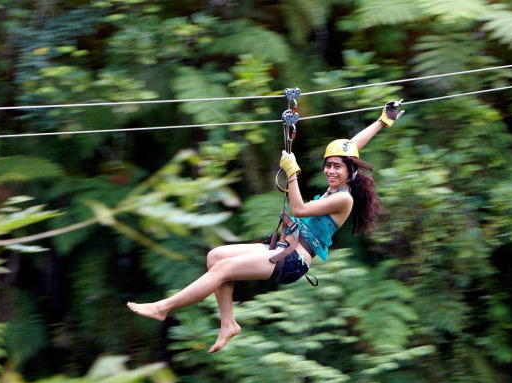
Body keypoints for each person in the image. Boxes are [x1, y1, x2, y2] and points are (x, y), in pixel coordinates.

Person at [127, 100, 404, 353]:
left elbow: (300, 209)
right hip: (283, 246)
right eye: (328, 166)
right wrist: (383, 121)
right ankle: (228, 324)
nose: (330, 171)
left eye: (337, 168)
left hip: (295, 260)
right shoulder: (336, 188)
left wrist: (292, 172)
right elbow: (352, 145)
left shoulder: (343, 199)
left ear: (349, 171)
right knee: (215, 257)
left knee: (224, 269)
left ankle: (163, 307)